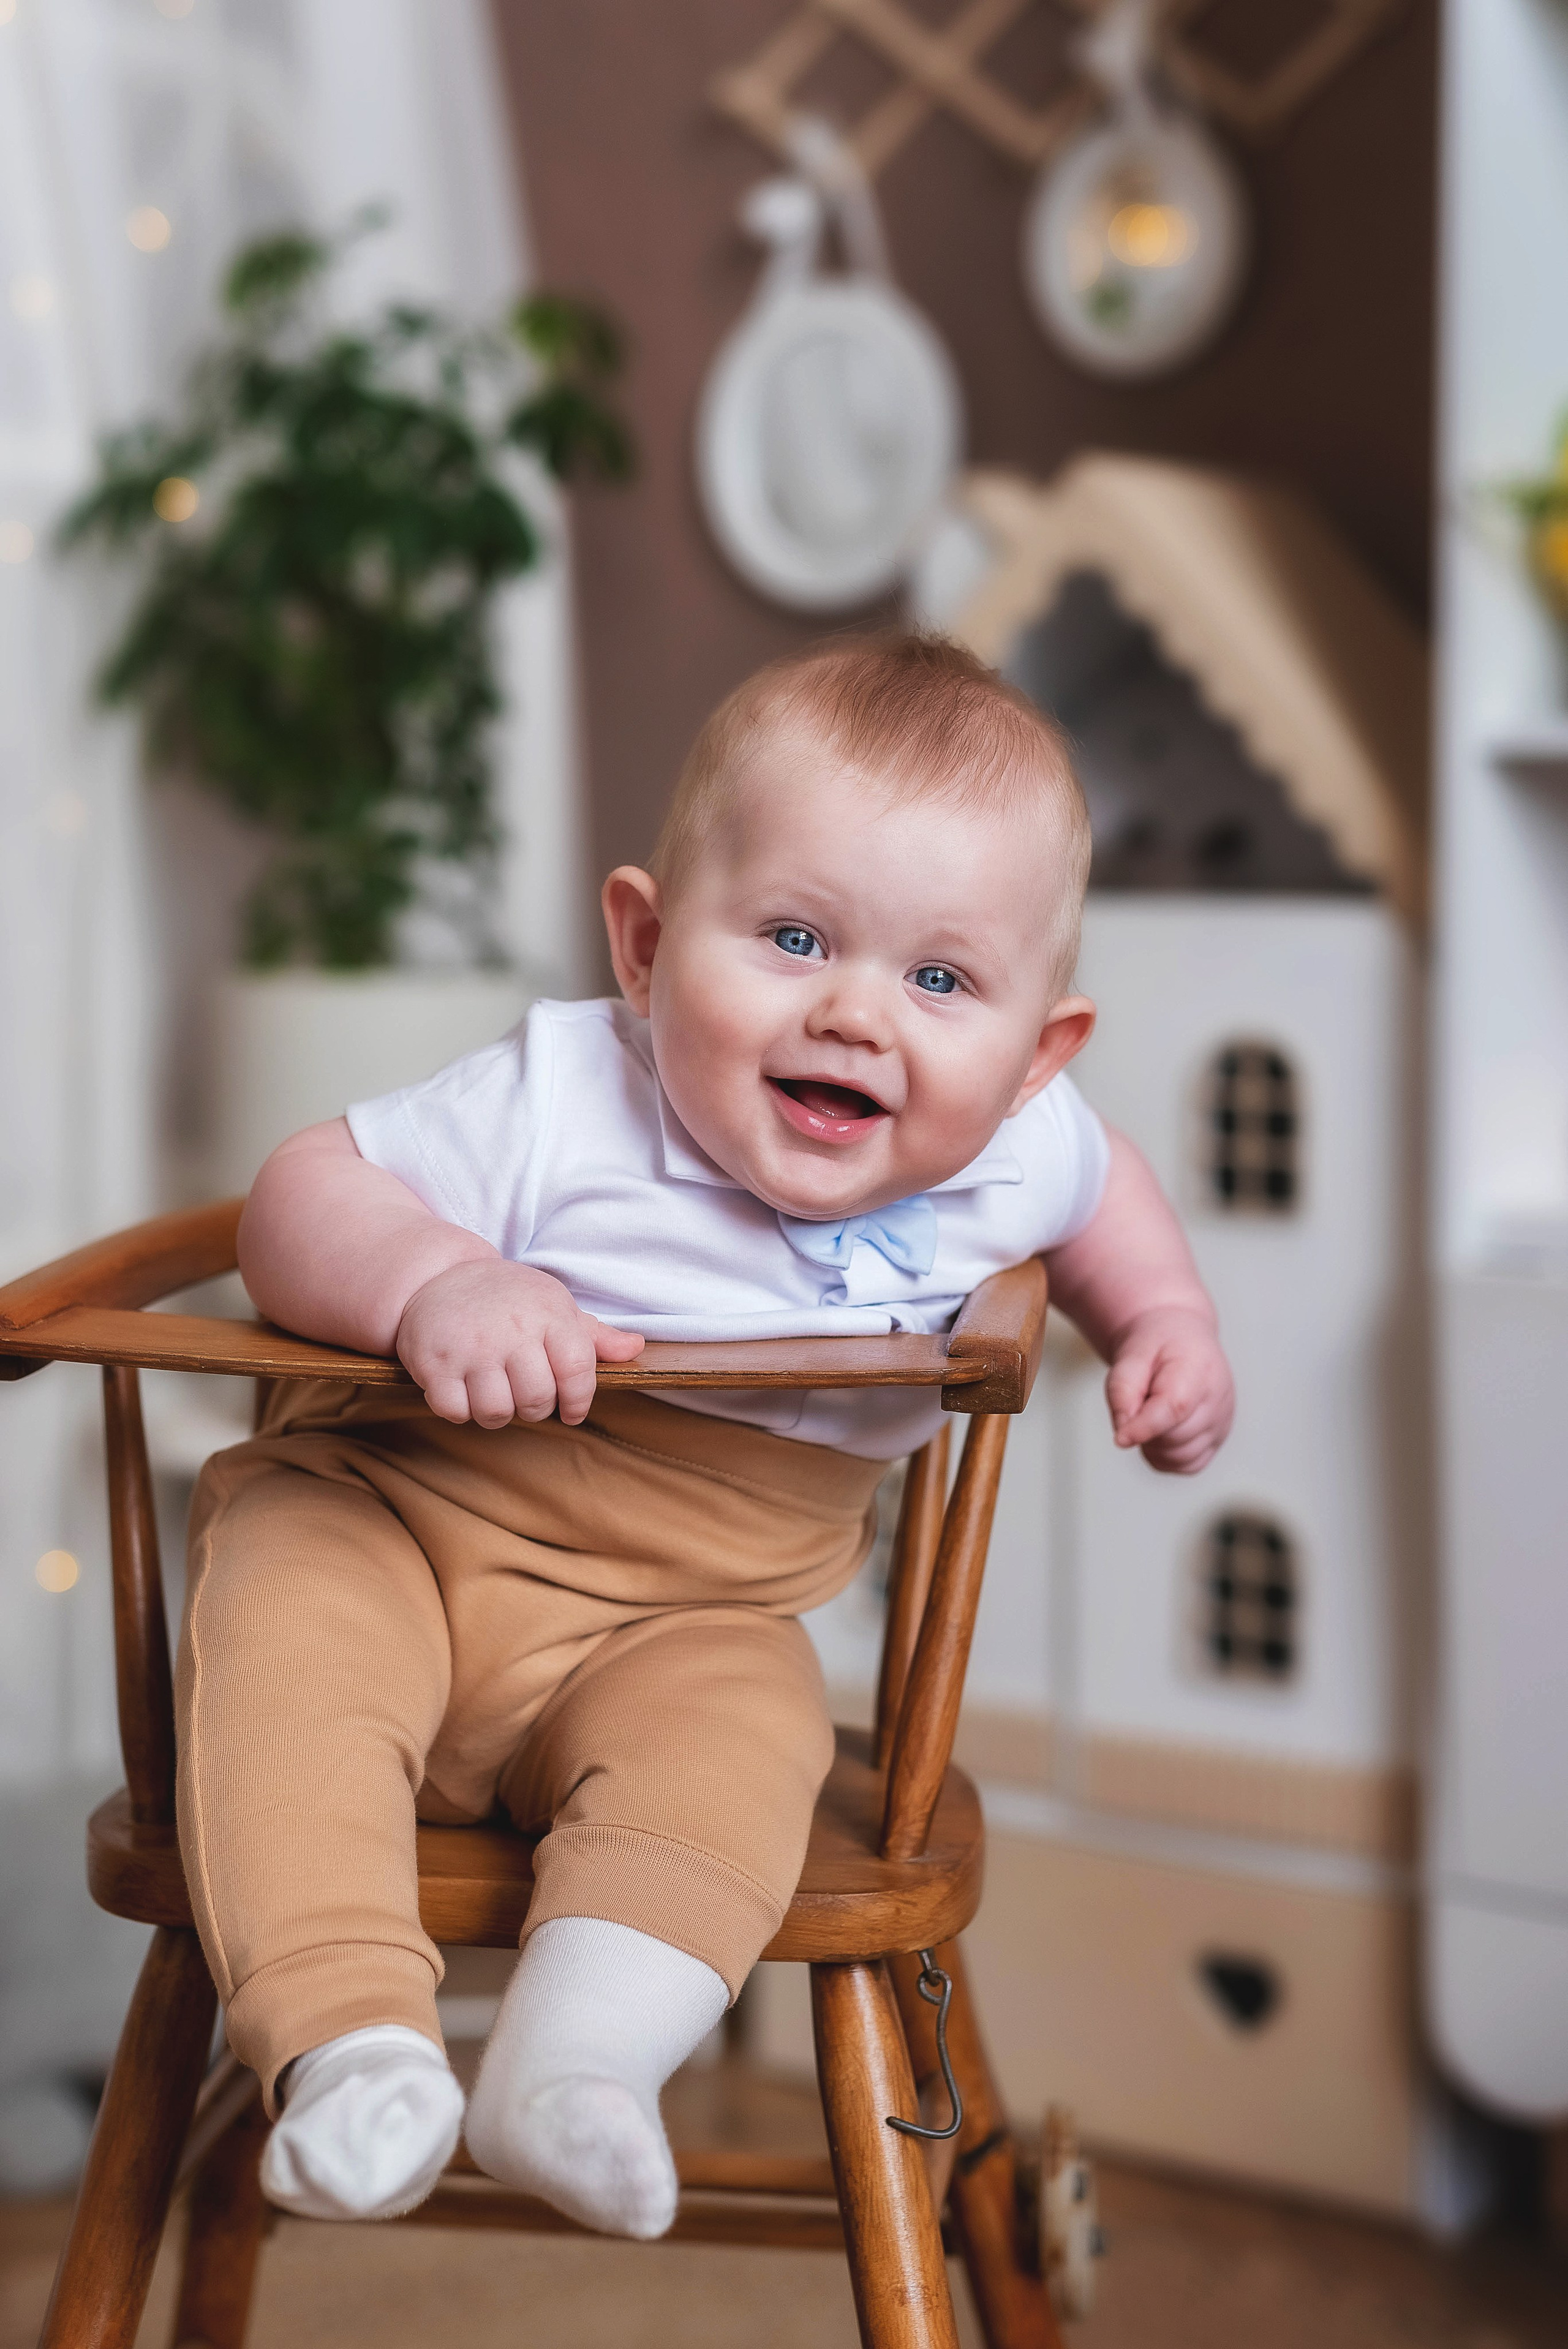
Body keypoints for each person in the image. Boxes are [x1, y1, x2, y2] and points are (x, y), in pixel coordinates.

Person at [181, 634, 1234, 2238]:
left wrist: (1164, 1321)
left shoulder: (1020, 1155)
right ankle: (349, 2042)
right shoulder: (559, 1099)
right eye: (795, 933)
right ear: (647, 942)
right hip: (400, 1524)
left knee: (751, 1730)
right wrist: (436, 1279)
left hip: (686, 1621)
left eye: (940, 979)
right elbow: (295, 1196)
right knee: (285, 1634)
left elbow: (1110, 1200)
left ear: (1036, 1060)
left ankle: (580, 2063)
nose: (855, 1012)